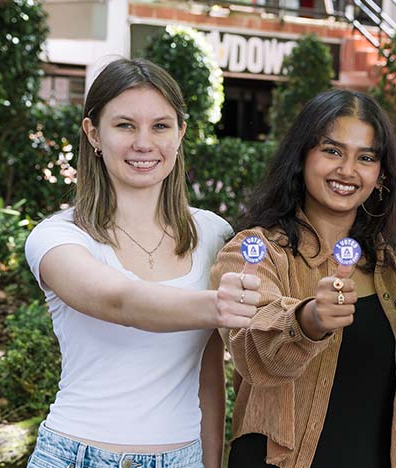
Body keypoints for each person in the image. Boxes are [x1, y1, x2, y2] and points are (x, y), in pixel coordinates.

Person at [24, 58, 261, 468]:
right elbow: (121, 301)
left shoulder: (213, 234)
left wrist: (210, 462)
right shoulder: (57, 237)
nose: (143, 143)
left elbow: (208, 374)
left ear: (180, 133)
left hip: (183, 457)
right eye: (125, 125)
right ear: (93, 133)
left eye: (160, 126)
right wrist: (219, 305)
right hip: (78, 455)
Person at [212, 89, 396, 468]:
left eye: (365, 157)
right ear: (301, 157)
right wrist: (309, 320)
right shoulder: (255, 251)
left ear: (381, 175)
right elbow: (251, 350)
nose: (347, 170)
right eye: (332, 151)